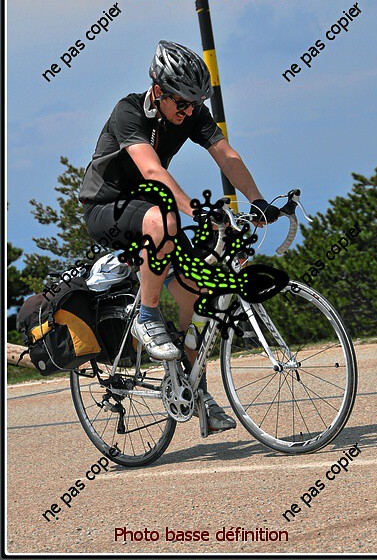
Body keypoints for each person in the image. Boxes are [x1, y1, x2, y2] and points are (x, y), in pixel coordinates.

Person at [79, 40, 280, 434]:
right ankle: (147, 317)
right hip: (106, 208)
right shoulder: (128, 111)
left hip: (152, 212)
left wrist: (258, 201)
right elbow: (152, 172)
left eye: (195, 104)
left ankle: (194, 389)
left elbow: (225, 154)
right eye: (183, 103)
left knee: (197, 296)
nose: (189, 111)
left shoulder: (191, 113)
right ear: (158, 90)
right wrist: (195, 209)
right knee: (164, 219)